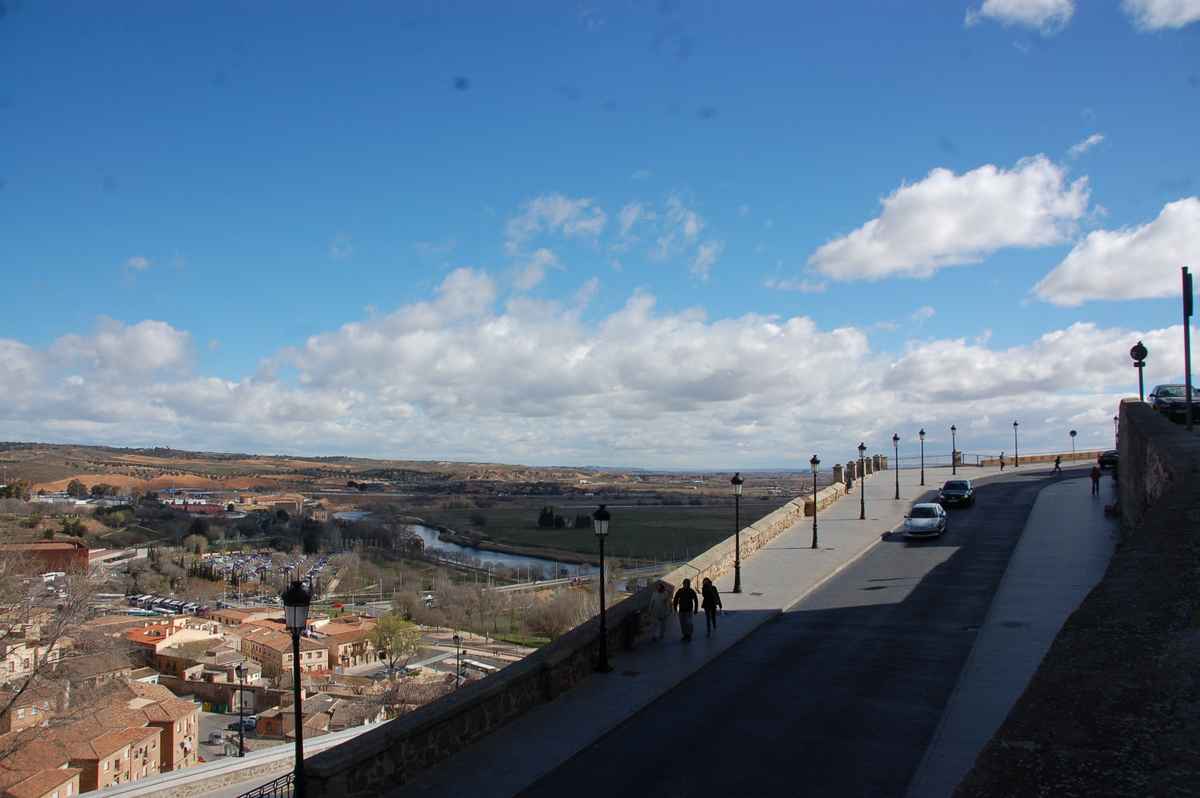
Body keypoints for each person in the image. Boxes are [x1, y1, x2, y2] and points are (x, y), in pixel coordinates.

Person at [673, 578, 699, 642]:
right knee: (682, 623)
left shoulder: (691, 591)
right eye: (685, 583)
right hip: (681, 610)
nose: (686, 585)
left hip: (689, 610)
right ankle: (685, 635)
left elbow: (696, 600)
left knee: (688, 623)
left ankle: (689, 635)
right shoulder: (680, 591)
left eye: (687, 584)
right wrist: (675, 608)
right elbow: (676, 599)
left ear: (689, 584)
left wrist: (695, 609)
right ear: (683, 584)